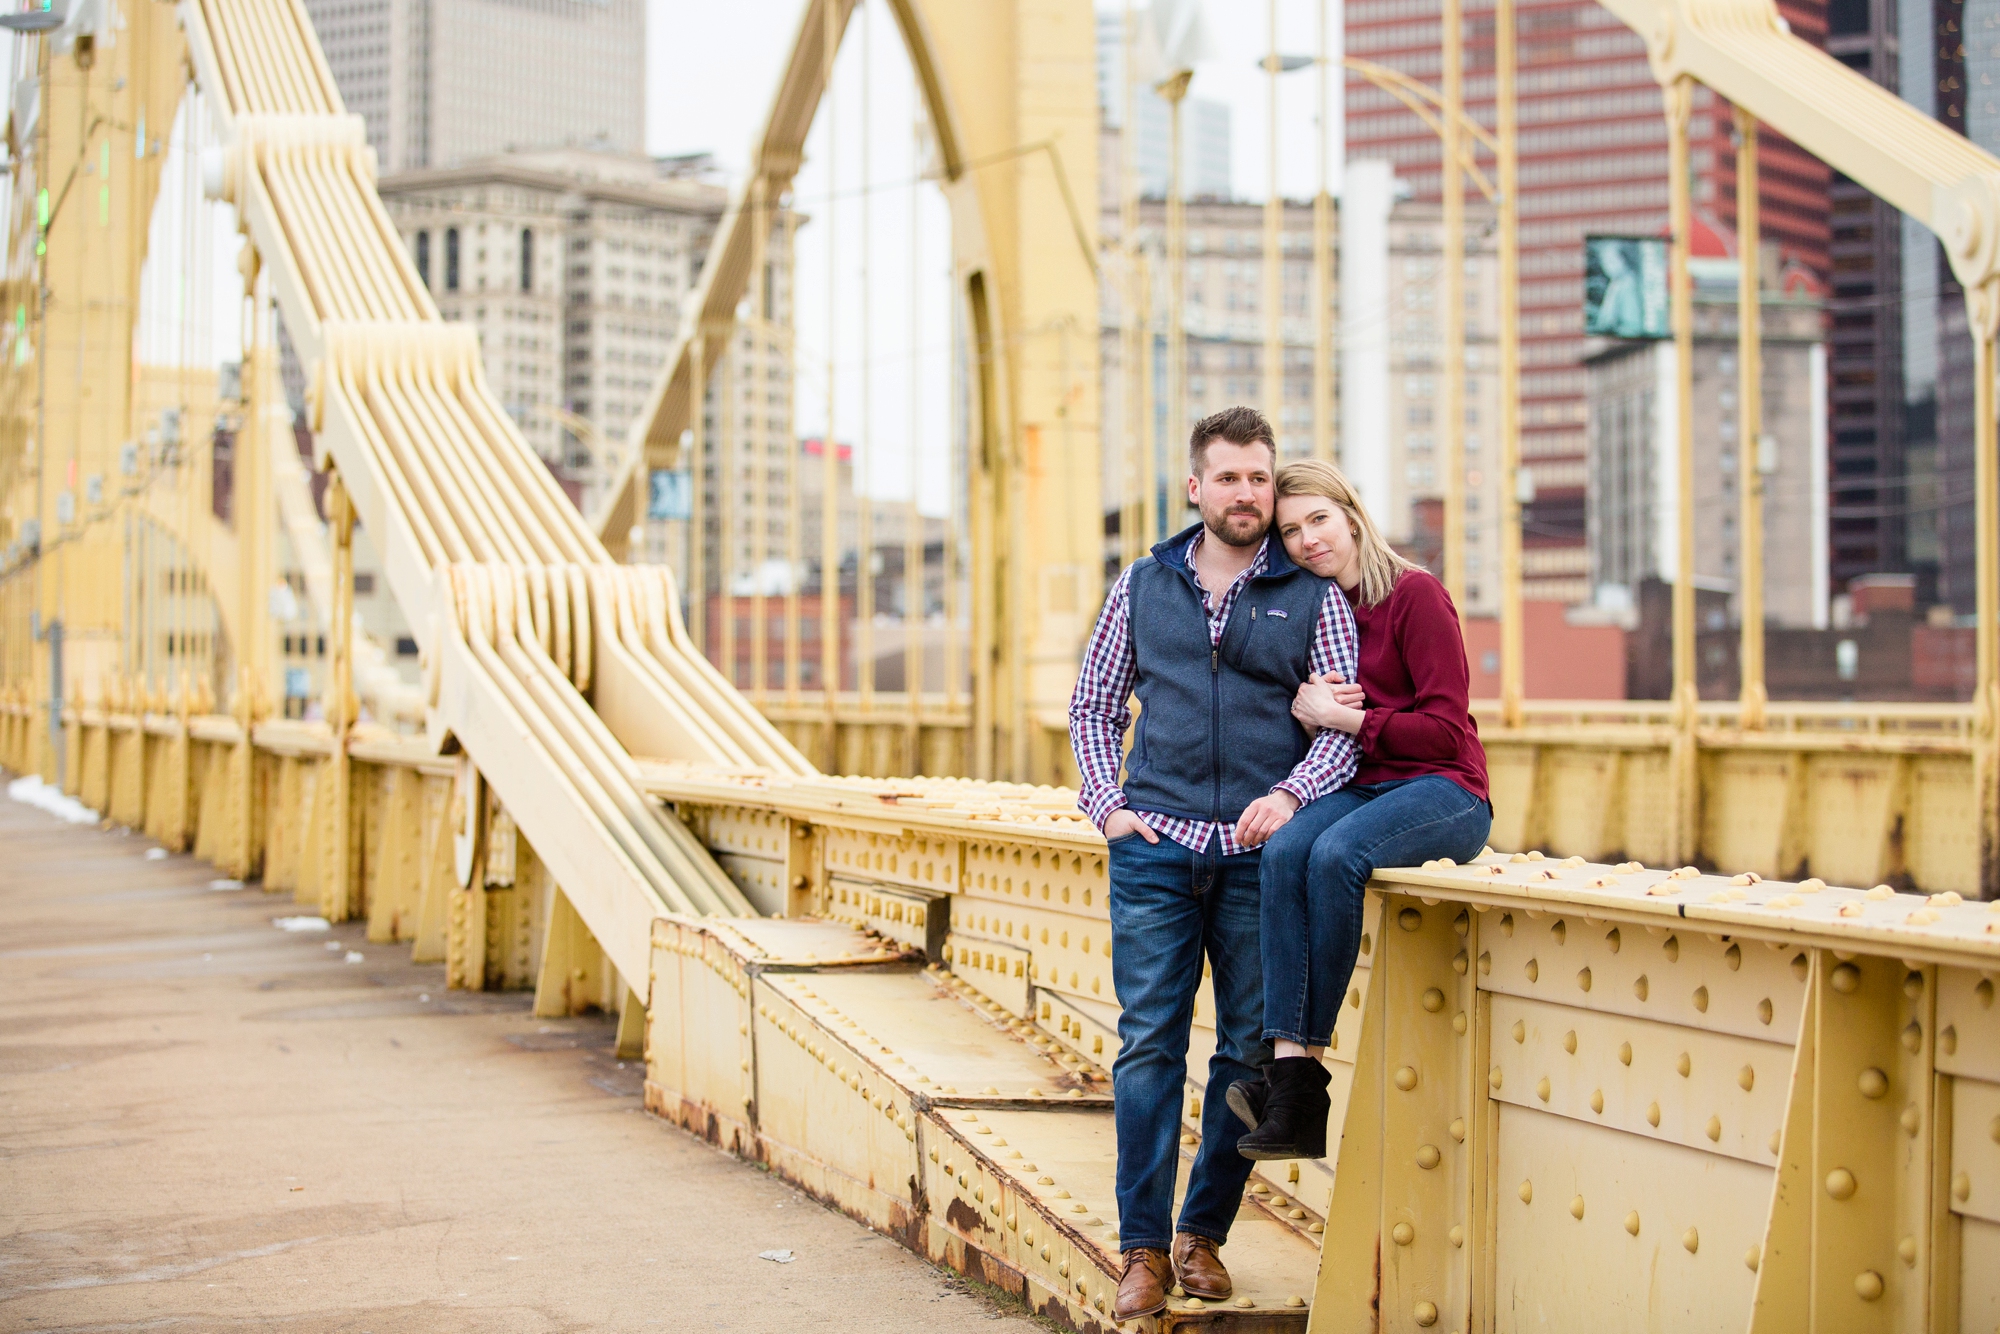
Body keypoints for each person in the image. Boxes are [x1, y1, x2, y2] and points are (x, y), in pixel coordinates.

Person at [1068, 408, 1360, 1321]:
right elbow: (1092, 708)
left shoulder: (1315, 596)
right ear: (1196, 487)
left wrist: (1292, 797)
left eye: (1260, 479)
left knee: (1243, 1051)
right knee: (1148, 1044)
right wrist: (1107, 807)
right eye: (1228, 478)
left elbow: (1344, 735)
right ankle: (1142, 1252)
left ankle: (1203, 1235)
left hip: (1256, 859)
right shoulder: (1142, 585)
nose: (1247, 494)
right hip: (1153, 852)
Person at [1226, 457, 1492, 1161]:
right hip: (1366, 785)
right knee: (1284, 848)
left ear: (1351, 515)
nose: (1309, 540)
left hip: (1445, 790)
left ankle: (1301, 1080)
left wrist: (1349, 720)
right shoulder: (1318, 613)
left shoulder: (1415, 596)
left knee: (1338, 856)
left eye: (1319, 520)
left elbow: (1443, 727)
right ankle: (1290, 1078)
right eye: (1291, 532)